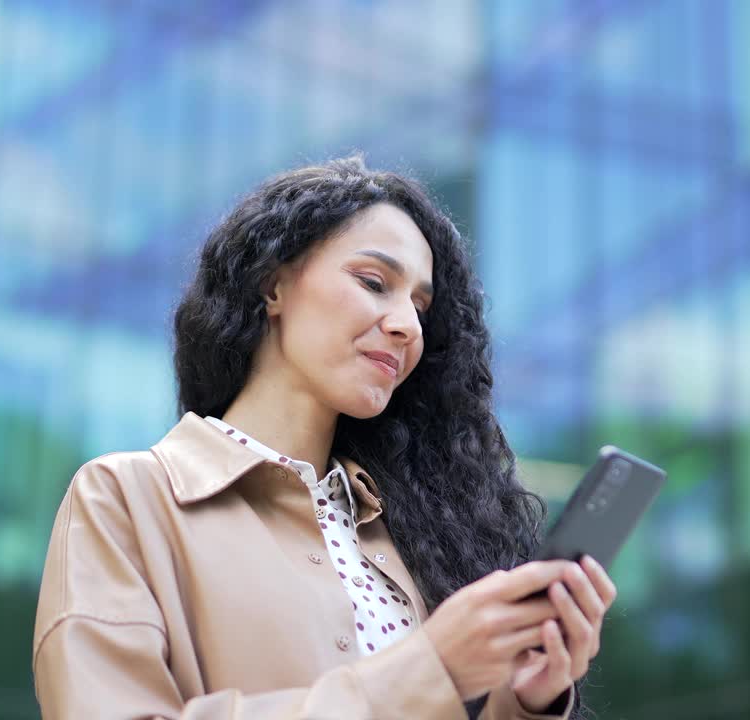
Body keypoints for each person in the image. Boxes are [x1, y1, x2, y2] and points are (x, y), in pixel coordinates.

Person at [32, 156, 618, 719]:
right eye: (373, 281)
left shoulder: (406, 535)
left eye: (420, 305)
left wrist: (526, 702)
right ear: (273, 285)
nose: (406, 325)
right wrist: (430, 669)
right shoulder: (126, 499)